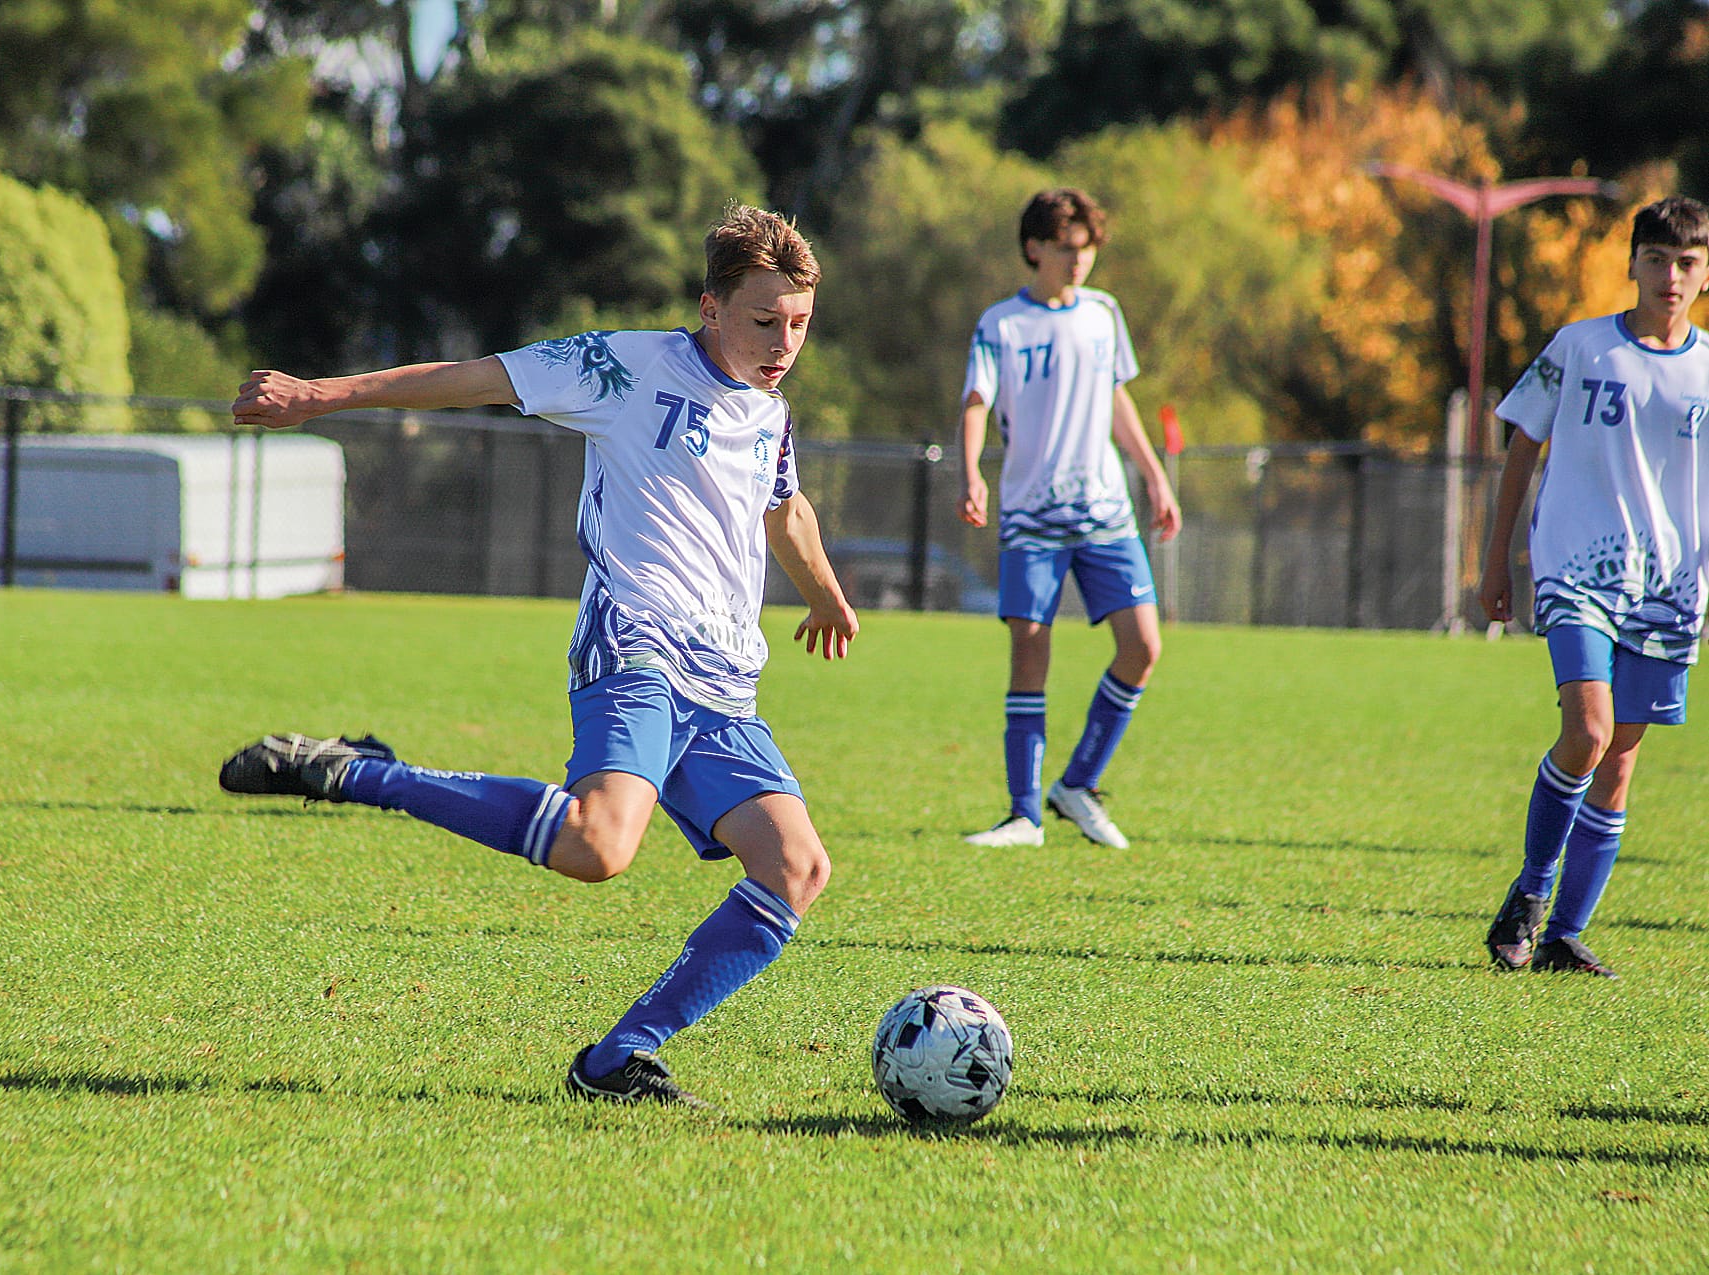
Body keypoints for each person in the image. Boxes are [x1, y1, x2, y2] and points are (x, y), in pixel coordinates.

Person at [219, 204, 859, 1104]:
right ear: (710, 307)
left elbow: (784, 506)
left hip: (725, 685)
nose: (783, 340)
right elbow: (471, 377)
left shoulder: (770, 411)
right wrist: (320, 395)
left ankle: (612, 1062)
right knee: (598, 847)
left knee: (797, 869)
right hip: (636, 644)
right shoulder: (625, 367)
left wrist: (825, 588)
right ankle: (366, 775)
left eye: (798, 322)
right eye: (763, 319)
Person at [1480, 195, 1709, 979]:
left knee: (1616, 763)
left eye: (1685, 263)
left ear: (1704, 272)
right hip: (1577, 569)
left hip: (1670, 587)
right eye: (1655, 260)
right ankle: (1530, 895)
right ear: (1631, 264)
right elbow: (1519, 447)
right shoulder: (1578, 348)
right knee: (1587, 731)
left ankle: (1562, 936)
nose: (1669, 277)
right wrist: (1493, 557)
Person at [955, 187, 1181, 850]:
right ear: (1034, 249)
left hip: (1106, 511)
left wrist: (1154, 475)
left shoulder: (1103, 313)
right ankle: (1023, 814)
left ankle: (1076, 785)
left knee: (1143, 648)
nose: (1078, 261)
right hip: (1031, 513)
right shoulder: (1000, 323)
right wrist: (971, 470)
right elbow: (976, 400)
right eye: (1064, 248)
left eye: (1084, 249)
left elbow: (1117, 400)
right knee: (1029, 649)